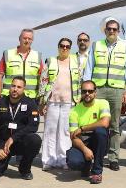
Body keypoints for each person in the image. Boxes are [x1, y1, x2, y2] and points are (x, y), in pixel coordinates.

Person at [82, 17, 126, 171]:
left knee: (115, 125)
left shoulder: (125, 46)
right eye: (109, 29)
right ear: (105, 30)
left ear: (118, 31)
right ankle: (96, 154)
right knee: (96, 123)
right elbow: (89, 67)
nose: (111, 31)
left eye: (114, 29)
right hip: (99, 90)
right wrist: (87, 89)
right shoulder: (96, 45)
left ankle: (113, 158)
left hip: (116, 90)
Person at [0, 76, 41, 181]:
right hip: (2, 145)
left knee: (35, 140)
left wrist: (13, 138)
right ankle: (3, 164)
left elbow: (33, 126)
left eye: (19, 87)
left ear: (23, 89)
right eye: (13, 86)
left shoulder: (30, 104)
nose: (15, 89)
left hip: (20, 142)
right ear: (9, 87)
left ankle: (24, 169)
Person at [38, 37, 83, 170]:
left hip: (69, 102)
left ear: (70, 48)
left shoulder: (76, 63)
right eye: (62, 46)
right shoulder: (51, 61)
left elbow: (79, 82)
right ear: (58, 47)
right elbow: (43, 81)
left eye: (67, 46)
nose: (64, 48)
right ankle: (48, 160)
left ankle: (63, 159)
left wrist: (78, 100)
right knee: (50, 131)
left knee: (64, 131)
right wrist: (42, 102)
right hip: (52, 101)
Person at [67, 80, 110, 184]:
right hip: (83, 143)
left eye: (90, 91)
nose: (87, 93)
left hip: (99, 142)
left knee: (100, 131)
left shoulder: (103, 103)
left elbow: (105, 123)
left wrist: (82, 128)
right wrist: (85, 149)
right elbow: (73, 137)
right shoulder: (74, 111)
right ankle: (86, 165)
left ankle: (97, 172)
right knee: (73, 163)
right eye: (84, 91)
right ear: (81, 92)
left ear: (95, 92)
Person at [0, 28, 44, 101]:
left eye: (29, 39)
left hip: (31, 98)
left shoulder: (37, 56)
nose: (27, 41)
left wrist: (41, 100)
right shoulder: (8, 54)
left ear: (32, 40)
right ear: (19, 39)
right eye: (24, 38)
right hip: (9, 97)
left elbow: (42, 80)